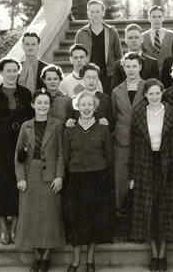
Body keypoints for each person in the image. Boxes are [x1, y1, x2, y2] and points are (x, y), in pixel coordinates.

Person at [129, 78, 173, 272]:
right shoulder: (138, 114)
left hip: (166, 165)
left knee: (165, 210)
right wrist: (131, 174)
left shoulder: (172, 114)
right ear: (145, 95)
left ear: (162, 93)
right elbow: (133, 146)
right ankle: (153, 254)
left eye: (158, 93)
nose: (155, 97)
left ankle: (163, 255)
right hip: (145, 163)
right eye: (151, 94)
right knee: (149, 209)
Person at [14, 89, 65, 272]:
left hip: (50, 177)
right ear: (33, 105)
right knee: (31, 217)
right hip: (31, 176)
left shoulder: (58, 125)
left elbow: (60, 153)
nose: (42, 106)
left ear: (50, 106)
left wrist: (59, 176)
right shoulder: (25, 126)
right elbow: (19, 156)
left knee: (50, 217)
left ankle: (46, 258)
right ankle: (37, 257)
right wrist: (21, 178)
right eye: (39, 103)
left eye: (46, 103)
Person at [0, 57, 34, 245]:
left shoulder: (26, 93)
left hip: (20, 141)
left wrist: (27, 143)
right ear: (1, 73)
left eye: (15, 70)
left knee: (18, 181)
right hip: (0, 144)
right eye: (8, 70)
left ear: (18, 72)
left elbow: (31, 119)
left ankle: (16, 227)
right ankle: (4, 229)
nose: (12, 73)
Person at [64, 92, 114, 272]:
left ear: (95, 108)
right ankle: (76, 260)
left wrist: (98, 169)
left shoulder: (103, 128)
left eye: (89, 105)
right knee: (78, 219)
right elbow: (65, 155)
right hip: (77, 178)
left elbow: (109, 155)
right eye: (83, 105)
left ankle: (90, 260)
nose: (86, 108)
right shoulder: (70, 128)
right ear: (77, 107)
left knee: (95, 218)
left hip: (97, 177)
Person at [112, 52, 146, 209]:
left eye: (134, 66)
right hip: (122, 141)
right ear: (123, 68)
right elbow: (114, 115)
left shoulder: (148, 87)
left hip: (143, 140)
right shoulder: (116, 91)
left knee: (142, 177)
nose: (131, 69)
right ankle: (121, 211)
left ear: (139, 67)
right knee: (121, 177)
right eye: (128, 66)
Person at [75, 0, 123, 94]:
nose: (95, 14)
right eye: (92, 12)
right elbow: (76, 56)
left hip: (108, 76)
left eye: (97, 11)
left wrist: (115, 74)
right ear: (88, 13)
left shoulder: (112, 32)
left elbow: (119, 55)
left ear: (103, 12)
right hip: (88, 76)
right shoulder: (81, 33)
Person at [112, 23, 159, 90]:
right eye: (130, 38)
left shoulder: (152, 63)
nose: (133, 40)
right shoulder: (118, 65)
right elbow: (115, 90)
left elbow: (156, 88)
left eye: (136, 37)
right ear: (125, 40)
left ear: (142, 39)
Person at [67, 63, 114, 130]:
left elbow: (112, 125)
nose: (91, 81)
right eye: (88, 77)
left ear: (98, 79)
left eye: (94, 77)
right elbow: (70, 122)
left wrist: (106, 122)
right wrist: (69, 122)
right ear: (83, 78)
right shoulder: (74, 100)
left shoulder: (106, 99)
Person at [142, 6, 173, 72]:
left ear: (163, 18)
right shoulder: (143, 36)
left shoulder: (171, 35)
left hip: (168, 73)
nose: (157, 19)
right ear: (149, 19)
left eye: (159, 17)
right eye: (154, 17)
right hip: (150, 74)